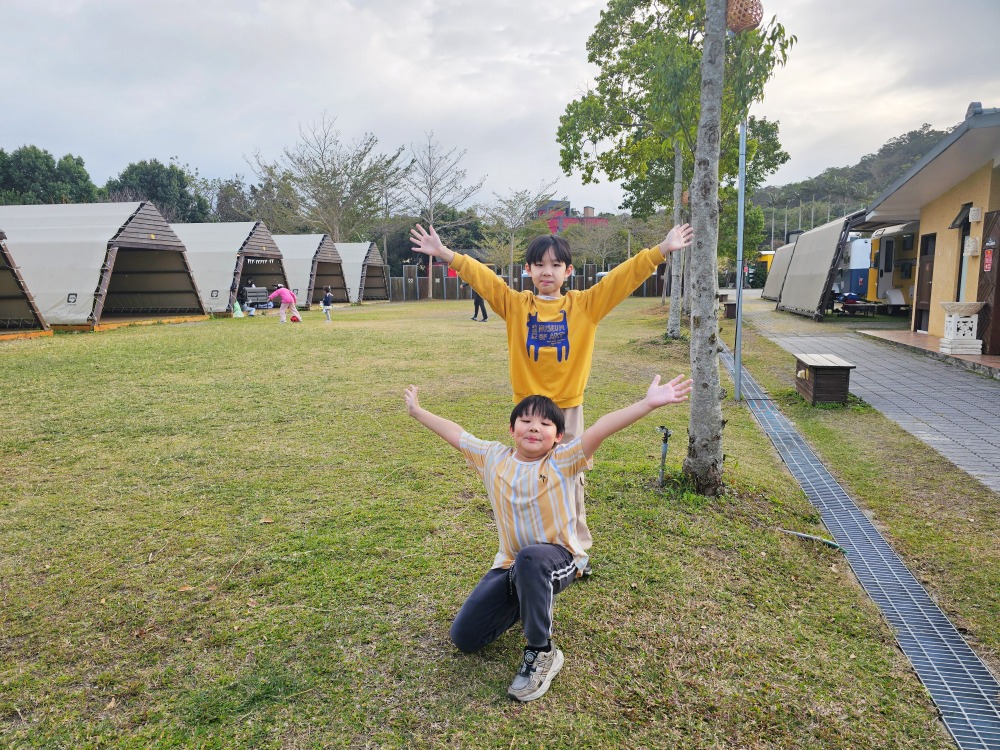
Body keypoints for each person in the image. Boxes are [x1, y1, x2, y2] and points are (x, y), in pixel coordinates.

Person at [410, 222, 693, 569]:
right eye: (539, 264)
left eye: (556, 264)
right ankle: (533, 542)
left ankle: (576, 549)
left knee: (570, 478)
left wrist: (661, 250)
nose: (548, 271)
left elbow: (622, 278)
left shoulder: (586, 305)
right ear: (527, 269)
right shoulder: (515, 305)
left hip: (568, 409)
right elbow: (483, 278)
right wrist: (445, 254)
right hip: (528, 411)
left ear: (568, 270)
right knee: (528, 477)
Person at [404, 373, 693, 702]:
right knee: (465, 637)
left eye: (544, 424)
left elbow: (601, 427)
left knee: (531, 559)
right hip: (511, 565)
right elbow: (456, 433)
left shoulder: (562, 461)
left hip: (558, 559)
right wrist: (418, 411)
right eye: (525, 420)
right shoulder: (493, 458)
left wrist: (647, 403)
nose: (533, 427)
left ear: (558, 437)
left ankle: (541, 652)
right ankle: (528, 598)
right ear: (511, 430)